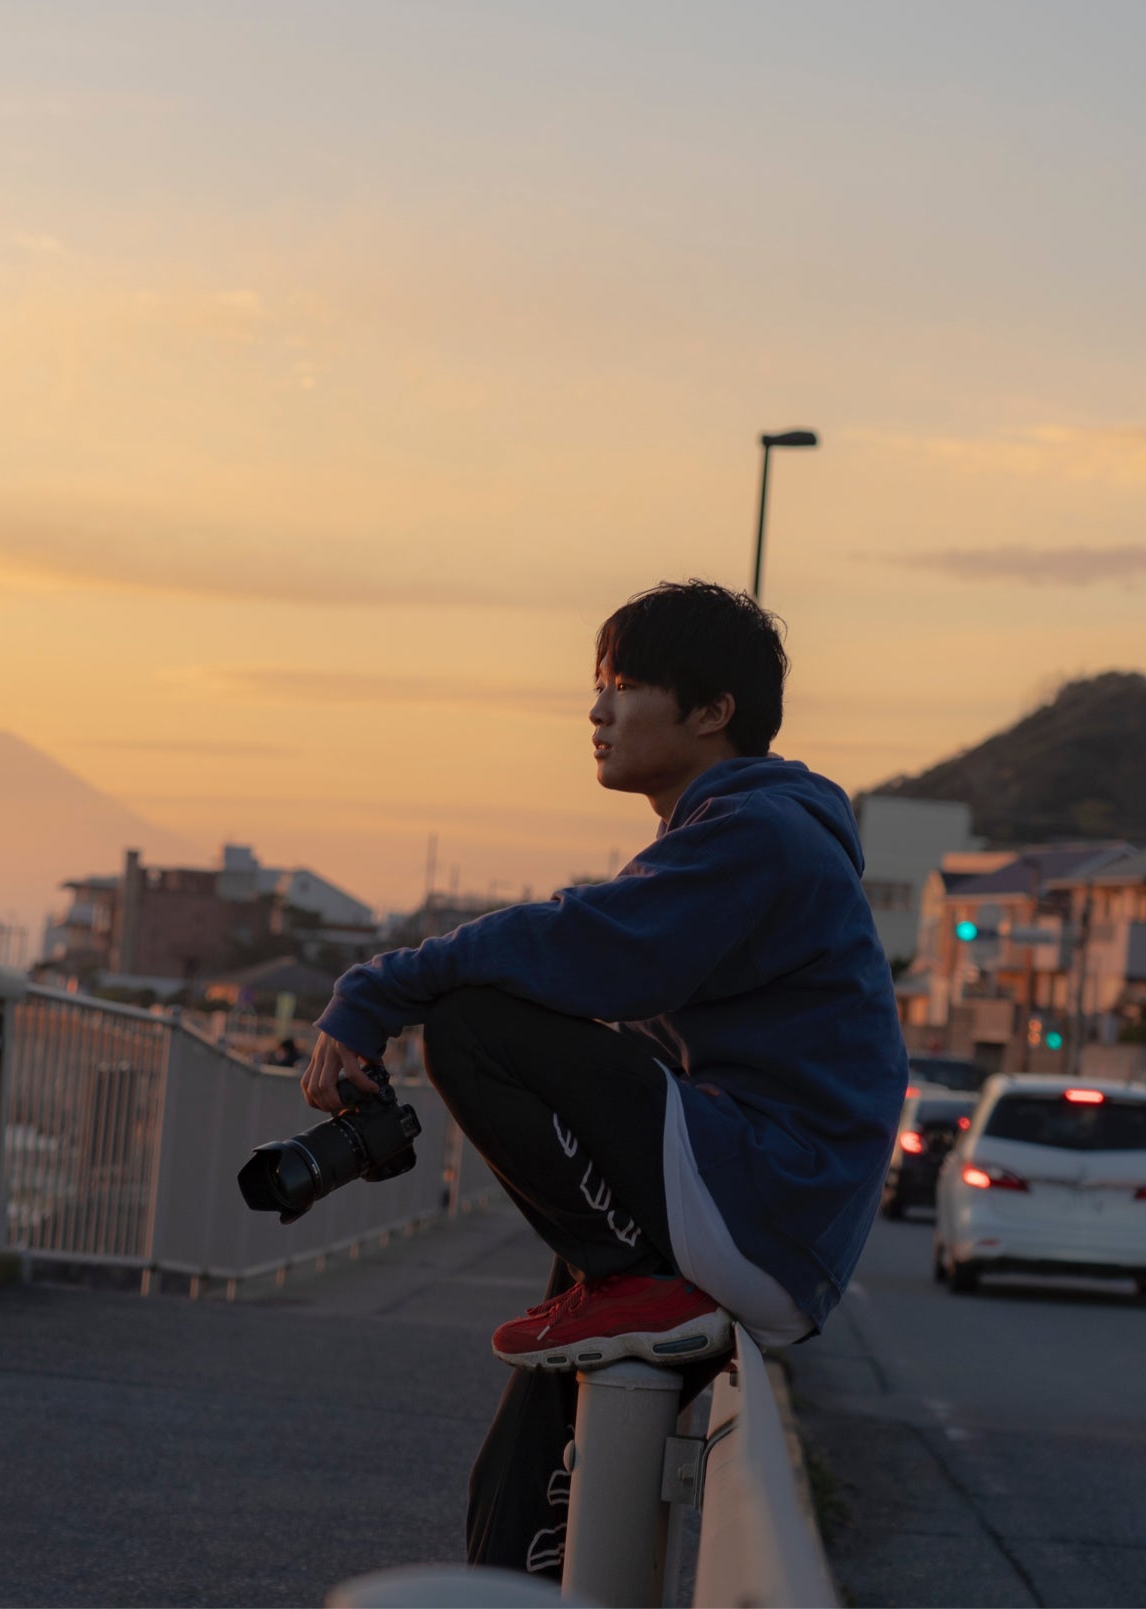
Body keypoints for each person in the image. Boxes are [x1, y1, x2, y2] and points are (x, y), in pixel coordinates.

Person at [303, 579, 901, 1578]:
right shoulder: (739, 829)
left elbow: (580, 944)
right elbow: (599, 960)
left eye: (623, 686)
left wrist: (377, 992)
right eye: (598, 686)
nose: (596, 711)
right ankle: (619, 1292)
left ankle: (635, 1280)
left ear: (712, 711)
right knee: (521, 1459)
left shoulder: (758, 834)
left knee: (472, 1024)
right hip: (753, 1195)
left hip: (763, 1198)